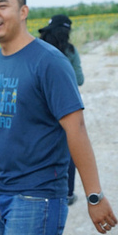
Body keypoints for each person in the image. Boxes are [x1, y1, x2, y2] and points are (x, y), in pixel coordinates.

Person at [0, 0, 117, 235]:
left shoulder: (49, 62)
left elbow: (77, 129)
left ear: (23, 12)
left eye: (2, 6)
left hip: (36, 196)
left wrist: (94, 196)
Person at [39, 14, 84, 206]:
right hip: (65, 106)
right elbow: (79, 80)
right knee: (68, 148)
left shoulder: (37, 49)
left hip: (40, 105)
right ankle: (68, 193)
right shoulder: (70, 51)